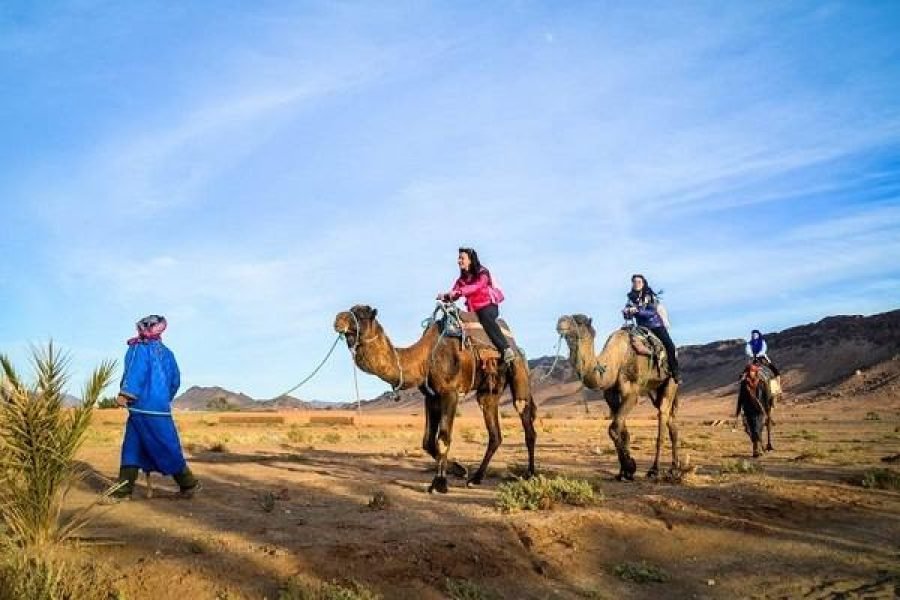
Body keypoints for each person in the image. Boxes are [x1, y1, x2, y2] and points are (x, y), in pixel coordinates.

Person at [111, 315, 200, 500]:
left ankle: (189, 483)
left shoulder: (139, 347)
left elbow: (136, 371)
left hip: (143, 407)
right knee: (132, 447)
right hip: (157, 407)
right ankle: (122, 491)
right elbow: (175, 380)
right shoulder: (167, 353)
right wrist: (163, 398)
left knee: (166, 445)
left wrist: (125, 394)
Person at [438, 247, 516, 365]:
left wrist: (458, 292)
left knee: (485, 318)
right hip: (473, 310)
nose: (459, 261)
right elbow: (454, 293)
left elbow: (477, 286)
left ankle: (505, 349)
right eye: (458, 258)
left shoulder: (482, 272)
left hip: (488, 306)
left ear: (470, 260)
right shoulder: (461, 280)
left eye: (461, 258)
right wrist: (445, 296)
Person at [622, 274, 681, 383]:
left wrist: (637, 310)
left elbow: (652, 311)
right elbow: (629, 316)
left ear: (643, 283)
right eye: (634, 282)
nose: (636, 284)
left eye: (639, 282)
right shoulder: (630, 299)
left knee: (670, 346)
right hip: (640, 327)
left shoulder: (650, 296)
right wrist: (626, 313)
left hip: (655, 325)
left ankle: (674, 371)